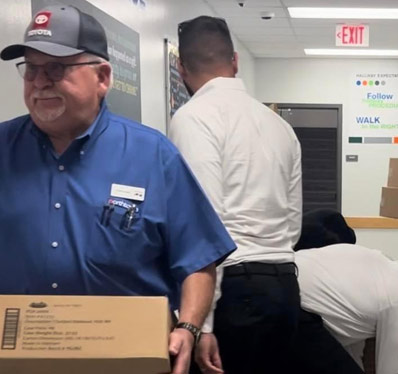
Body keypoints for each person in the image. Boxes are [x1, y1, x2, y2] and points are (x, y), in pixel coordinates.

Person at [0, 6, 236, 374]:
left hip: (128, 361)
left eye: (57, 69)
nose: (40, 82)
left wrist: (189, 327)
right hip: (18, 360)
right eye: (31, 70)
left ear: (103, 77)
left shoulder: (153, 155)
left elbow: (198, 260)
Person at [169, 16, 302, 374]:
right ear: (235, 61)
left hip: (233, 293)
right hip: (285, 287)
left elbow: (203, 221)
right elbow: (292, 222)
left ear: (180, 67)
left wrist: (201, 323)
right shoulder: (280, 126)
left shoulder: (192, 118)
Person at [294, 243, 398, 374]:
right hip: (295, 308)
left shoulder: (386, 271)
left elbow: (351, 349)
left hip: (281, 280)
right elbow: (392, 370)